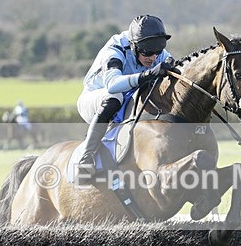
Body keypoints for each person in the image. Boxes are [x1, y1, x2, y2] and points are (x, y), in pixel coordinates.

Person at [75, 14, 176, 179]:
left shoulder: (154, 49)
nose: (154, 58)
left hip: (127, 97)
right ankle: (85, 158)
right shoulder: (114, 50)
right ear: (134, 46)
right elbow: (113, 84)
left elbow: (172, 65)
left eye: (158, 52)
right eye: (148, 53)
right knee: (115, 96)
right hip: (94, 99)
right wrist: (149, 74)